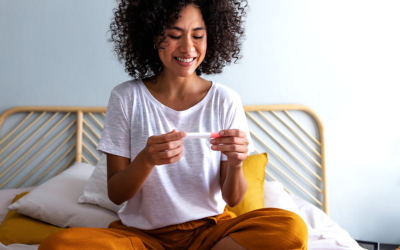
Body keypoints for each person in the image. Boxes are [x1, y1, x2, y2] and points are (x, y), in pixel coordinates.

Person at [39, 0, 308, 249]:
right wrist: (146, 159)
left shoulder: (226, 100)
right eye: (175, 35)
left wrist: (236, 163)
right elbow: (116, 194)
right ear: (153, 37)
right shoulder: (126, 97)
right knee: (58, 244)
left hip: (210, 232)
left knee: (291, 228)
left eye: (198, 35)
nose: (188, 48)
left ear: (211, 37)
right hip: (142, 237)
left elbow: (234, 199)